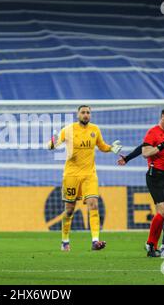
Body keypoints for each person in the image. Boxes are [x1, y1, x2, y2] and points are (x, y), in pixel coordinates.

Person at [48, 105, 122, 251]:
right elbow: (52, 146)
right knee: (69, 210)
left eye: (88, 112)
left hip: (90, 175)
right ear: (78, 115)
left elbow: (102, 146)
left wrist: (111, 148)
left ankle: (95, 241)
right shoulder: (68, 130)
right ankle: (64, 241)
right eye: (83, 112)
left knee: (93, 204)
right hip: (71, 175)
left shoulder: (95, 129)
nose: (86, 115)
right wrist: (52, 141)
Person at [141, 107, 164, 257]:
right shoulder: (152, 132)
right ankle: (151, 244)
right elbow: (145, 153)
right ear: (163, 117)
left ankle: (154, 246)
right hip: (155, 175)